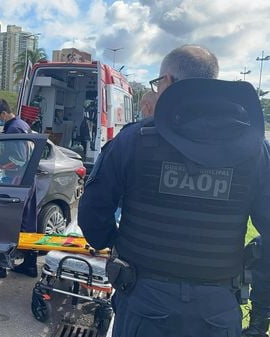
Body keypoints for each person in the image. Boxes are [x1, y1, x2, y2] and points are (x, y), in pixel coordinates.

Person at [78, 44, 270, 337]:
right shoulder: (255, 150)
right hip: (217, 310)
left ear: (167, 81)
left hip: (144, 300)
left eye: (156, 84)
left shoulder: (134, 140)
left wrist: (125, 245)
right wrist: (259, 319)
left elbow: (92, 215)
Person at [0, 98, 38, 279]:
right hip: (26, 179)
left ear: (3, 113)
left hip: (17, 180)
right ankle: (30, 264)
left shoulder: (14, 129)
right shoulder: (22, 124)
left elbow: (17, 158)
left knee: (5, 221)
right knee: (26, 222)